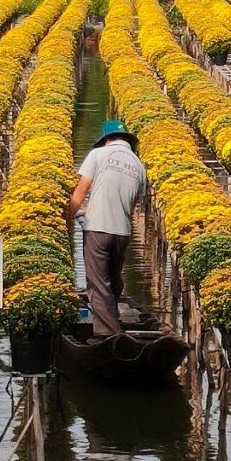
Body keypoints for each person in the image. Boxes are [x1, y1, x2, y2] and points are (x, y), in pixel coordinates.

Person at [68, 119, 147, 337]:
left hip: (98, 228)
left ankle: (109, 335)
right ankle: (114, 316)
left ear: (107, 140)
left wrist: (69, 217)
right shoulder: (139, 166)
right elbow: (132, 205)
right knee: (113, 277)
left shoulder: (98, 155)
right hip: (122, 232)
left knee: (97, 282)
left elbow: (82, 190)